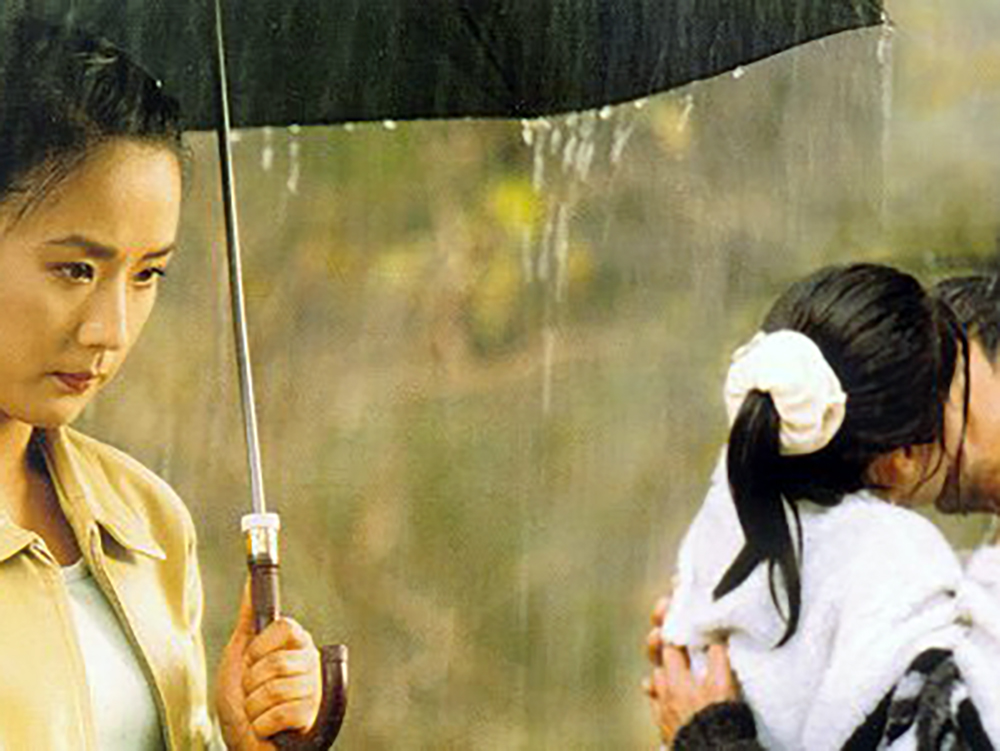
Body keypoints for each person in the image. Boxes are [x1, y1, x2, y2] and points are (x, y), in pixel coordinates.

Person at [0, 18, 324, 750]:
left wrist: (239, 737)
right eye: (76, 269)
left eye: (147, 274)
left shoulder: (146, 524)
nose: (109, 329)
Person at [644, 264, 1000, 749]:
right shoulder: (900, 567)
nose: (948, 429)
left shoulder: (745, 526)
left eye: (957, 395)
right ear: (899, 459)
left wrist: (709, 738)